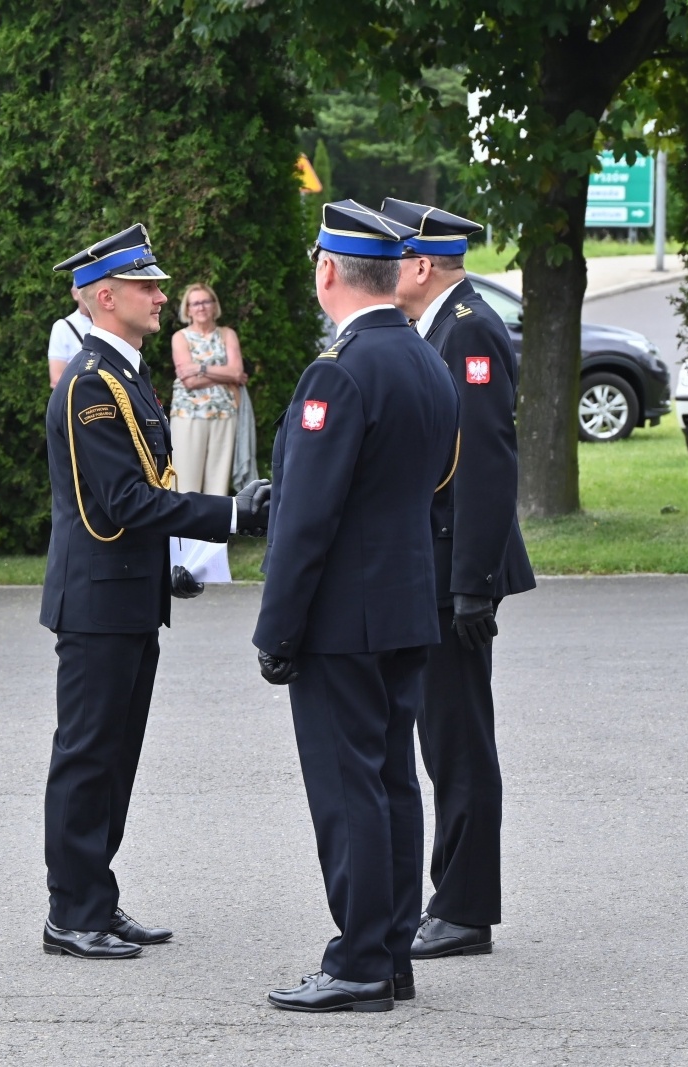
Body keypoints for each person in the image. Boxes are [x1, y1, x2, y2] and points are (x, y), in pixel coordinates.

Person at [40, 223, 270, 959]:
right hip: (99, 597)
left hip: (130, 590)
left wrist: (171, 561)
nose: (162, 296)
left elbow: (146, 487)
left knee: (116, 755)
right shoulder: (90, 385)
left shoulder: (126, 374)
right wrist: (229, 514)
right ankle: (70, 911)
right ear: (106, 297)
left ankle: (95, 899)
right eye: (148, 286)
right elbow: (122, 503)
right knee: (88, 754)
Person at [254, 200, 460, 1013]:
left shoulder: (338, 371)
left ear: (328, 271)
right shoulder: (423, 359)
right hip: (407, 602)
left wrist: (276, 629)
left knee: (350, 792)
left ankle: (362, 958)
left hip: (345, 617)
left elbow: (307, 519)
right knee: (392, 785)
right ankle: (390, 951)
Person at [380, 196, 536, 961]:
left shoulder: (467, 326)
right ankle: (453, 894)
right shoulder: (440, 323)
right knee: (442, 737)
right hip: (441, 559)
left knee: (459, 739)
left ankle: (467, 907)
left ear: (418, 264)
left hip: (456, 566)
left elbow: (485, 455)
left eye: (396, 259)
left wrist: (474, 578)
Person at [167, 283, 247, 495]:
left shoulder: (227, 334)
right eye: (195, 303)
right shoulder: (180, 337)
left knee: (218, 486)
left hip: (224, 414)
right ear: (187, 309)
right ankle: (182, 529)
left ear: (214, 306)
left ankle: (214, 529)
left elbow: (238, 372)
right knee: (185, 484)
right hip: (188, 415)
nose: (201, 307)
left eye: (205, 302)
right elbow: (189, 382)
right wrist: (225, 376)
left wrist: (200, 368)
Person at [46, 287, 92, 388]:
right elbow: (56, 379)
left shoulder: (114, 323)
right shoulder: (63, 327)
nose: (90, 295)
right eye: (85, 289)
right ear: (74, 293)